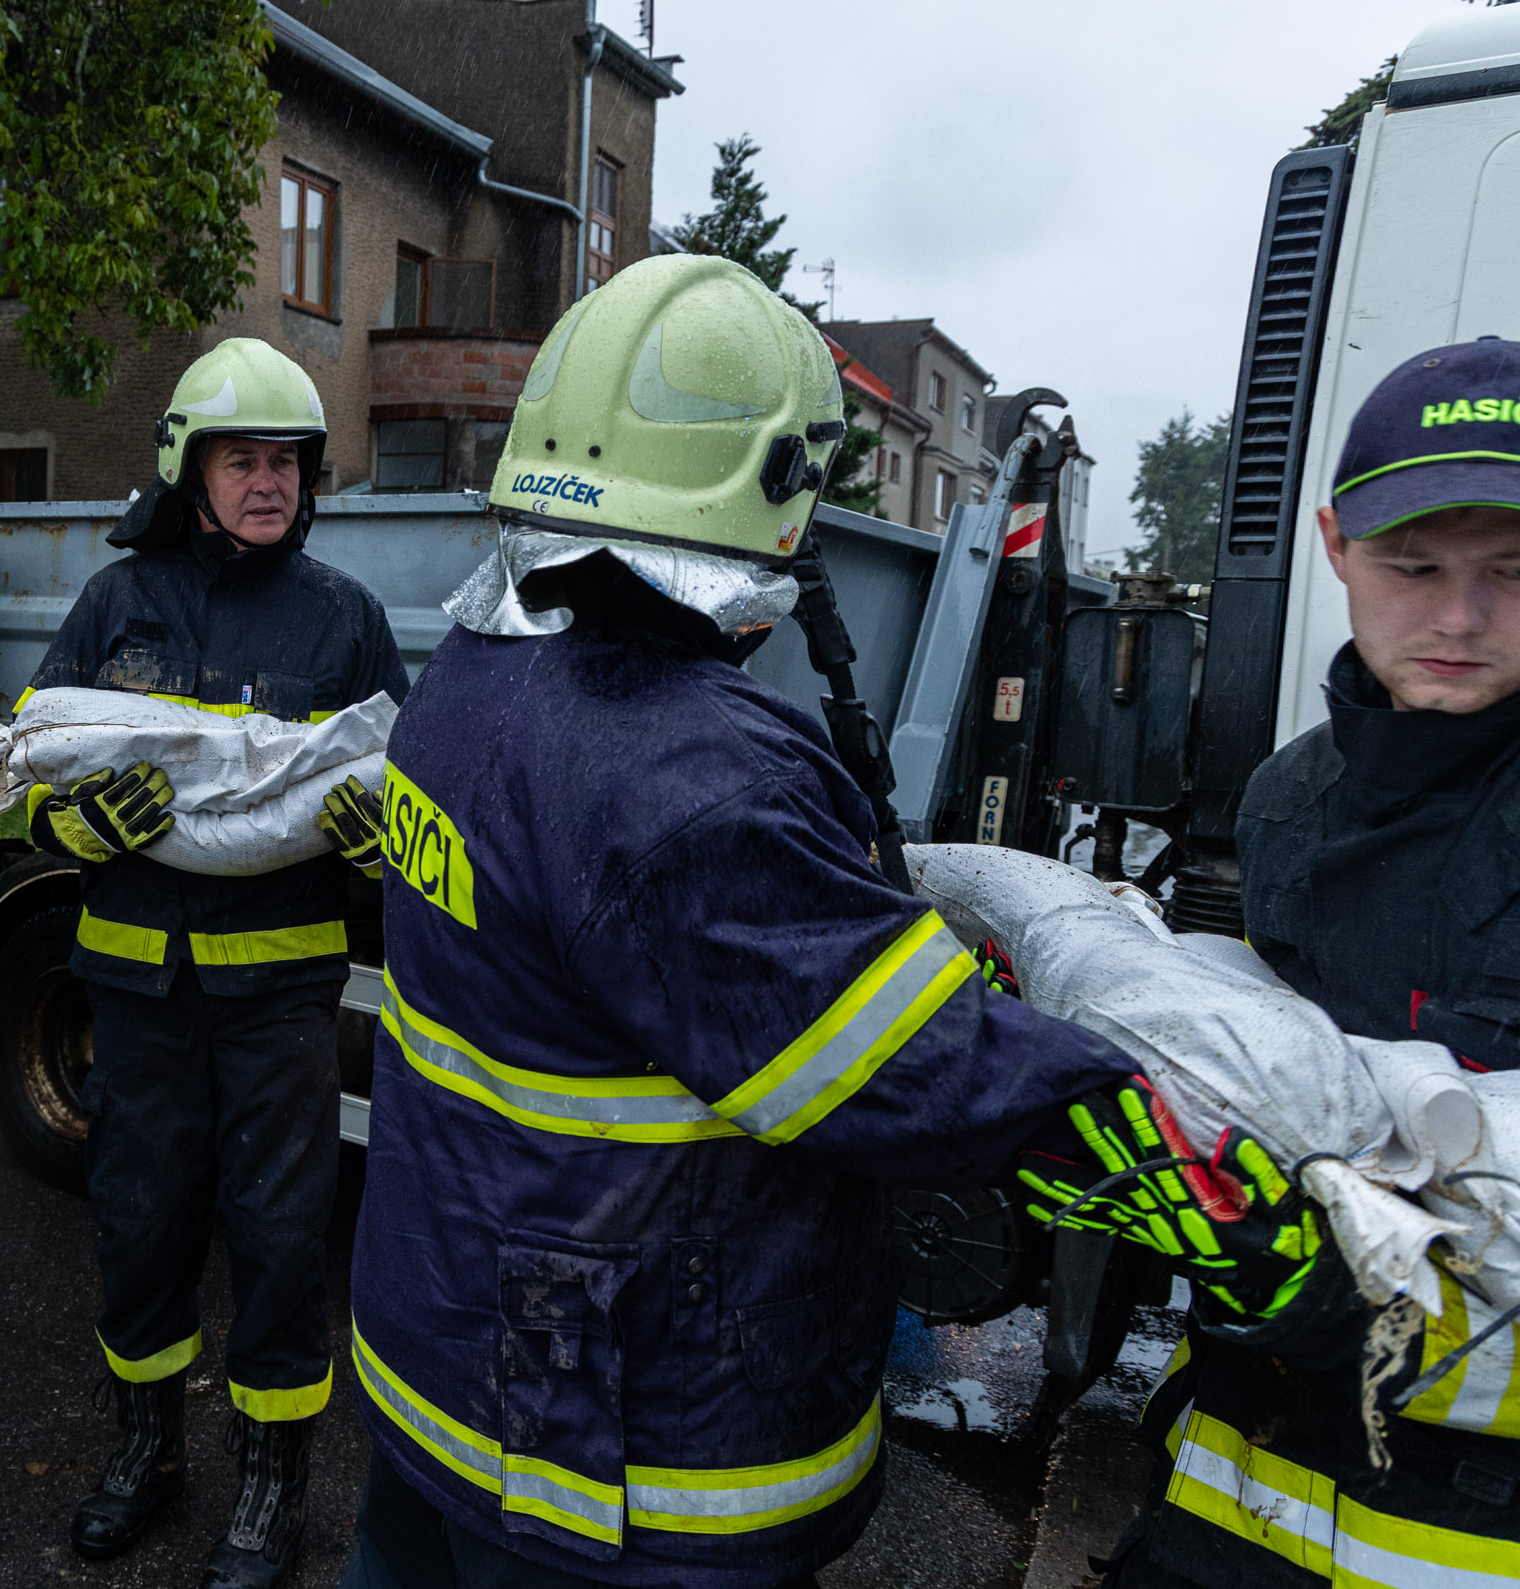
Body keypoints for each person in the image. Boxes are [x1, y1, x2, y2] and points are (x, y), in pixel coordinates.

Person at [335, 256, 1209, 1589]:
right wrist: (1176, 1114)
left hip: (441, 1374)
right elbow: (904, 1068)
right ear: (777, 487)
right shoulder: (698, 781)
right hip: (614, 1452)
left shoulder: (464, 687)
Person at [1058, 338, 1520, 1585]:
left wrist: (1379, 1288)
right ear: (1333, 545)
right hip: (1240, 1476)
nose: (1458, 617)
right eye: (1412, 566)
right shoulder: (1285, 803)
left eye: (1512, 573)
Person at [21, 336, 408, 1589]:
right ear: (188, 469)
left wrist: (369, 839)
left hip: (276, 1001)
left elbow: (397, 790)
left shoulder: (342, 619)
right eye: (242, 459)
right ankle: (149, 1453)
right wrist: (79, 824)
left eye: (287, 462)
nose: (267, 483)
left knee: (283, 1238)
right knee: (139, 1226)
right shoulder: (112, 604)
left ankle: (269, 1485)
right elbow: (35, 776)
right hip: (133, 993)